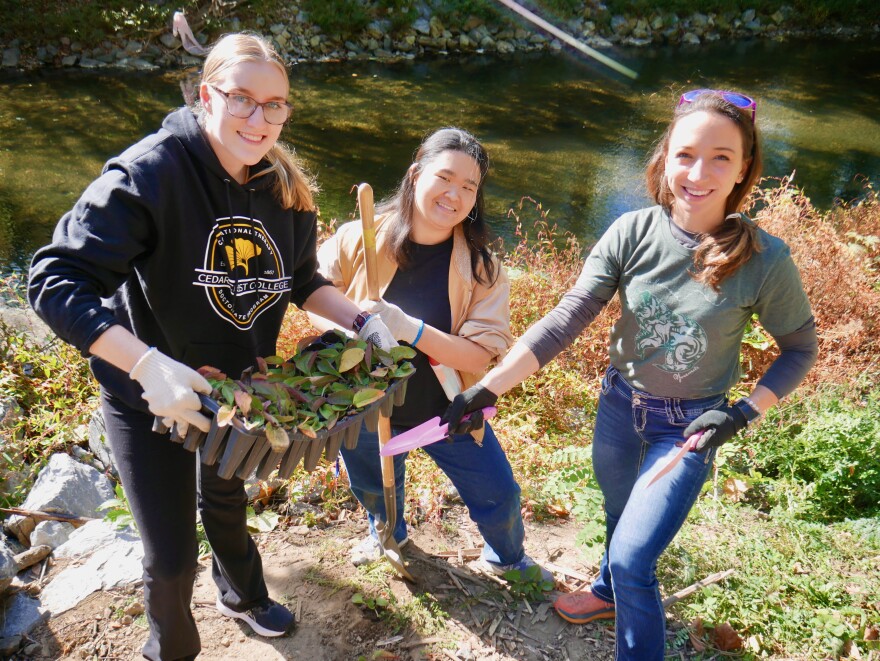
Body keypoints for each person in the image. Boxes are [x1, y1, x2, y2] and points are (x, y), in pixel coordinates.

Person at [28, 33, 395, 661]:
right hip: (153, 400)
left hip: (238, 395)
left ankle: (243, 597)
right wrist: (147, 366)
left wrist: (359, 318)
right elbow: (54, 280)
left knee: (226, 502)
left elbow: (302, 279)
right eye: (243, 100)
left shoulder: (283, 188)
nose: (261, 119)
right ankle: (170, 647)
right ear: (207, 95)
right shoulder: (150, 174)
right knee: (170, 559)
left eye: (275, 104)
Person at [443, 90, 818, 659]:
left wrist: (743, 411)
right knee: (619, 516)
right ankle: (606, 592)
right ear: (665, 157)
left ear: (744, 168)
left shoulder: (765, 259)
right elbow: (565, 319)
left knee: (634, 556)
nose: (699, 171)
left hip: (691, 427)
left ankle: (626, 606)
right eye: (686, 153)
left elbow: (799, 348)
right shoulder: (632, 232)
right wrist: (484, 389)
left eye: (721, 157)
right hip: (620, 410)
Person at [308, 127, 552, 581]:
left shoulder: (482, 268)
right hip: (366, 404)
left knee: (498, 494)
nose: (455, 194)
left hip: (446, 409)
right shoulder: (356, 237)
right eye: (445, 177)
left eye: (469, 186)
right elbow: (317, 294)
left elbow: (477, 356)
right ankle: (387, 536)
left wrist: (408, 328)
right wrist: (351, 330)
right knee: (375, 489)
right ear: (415, 174)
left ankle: (509, 557)